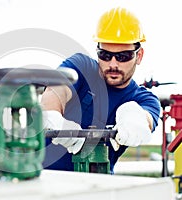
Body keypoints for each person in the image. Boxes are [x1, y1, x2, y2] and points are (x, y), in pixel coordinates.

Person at [41, 7, 161, 174]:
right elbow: (56, 90)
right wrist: (53, 116)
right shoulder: (80, 67)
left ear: (139, 56)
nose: (112, 64)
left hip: (98, 186)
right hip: (44, 179)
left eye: (123, 56)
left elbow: (146, 119)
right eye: (105, 55)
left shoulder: (146, 100)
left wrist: (134, 116)